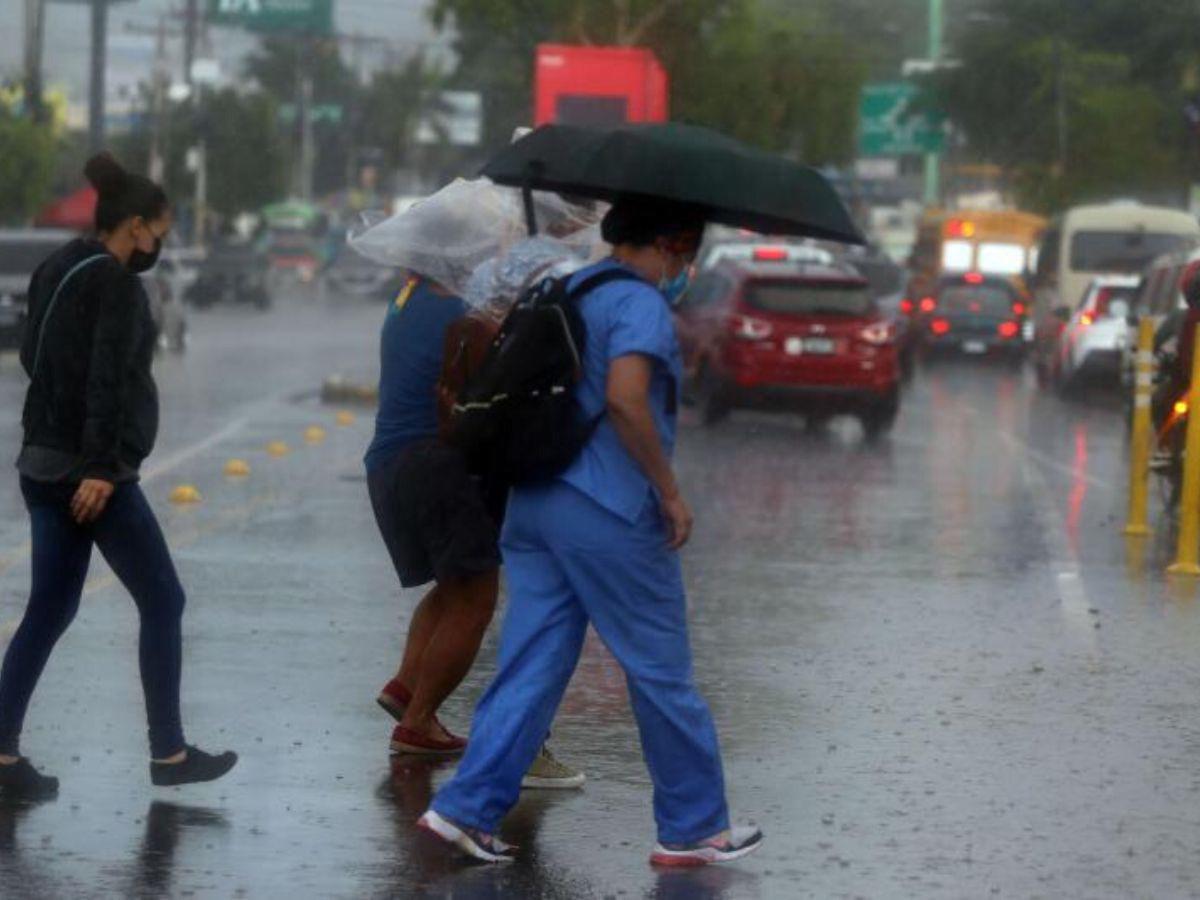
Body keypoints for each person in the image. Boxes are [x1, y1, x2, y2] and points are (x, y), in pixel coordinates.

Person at [419, 197, 764, 866]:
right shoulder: (638, 303)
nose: (684, 270)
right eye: (686, 256)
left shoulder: (566, 287)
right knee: (660, 668)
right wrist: (668, 491)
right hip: (607, 509)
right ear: (672, 245)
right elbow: (626, 399)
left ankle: (465, 808)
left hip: (535, 502)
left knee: (533, 661)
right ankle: (693, 827)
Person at [0, 152, 237, 799]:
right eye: (160, 231)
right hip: (91, 476)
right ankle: (170, 752)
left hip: (41, 462)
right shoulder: (119, 285)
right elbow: (108, 378)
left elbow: (32, 356)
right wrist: (103, 468)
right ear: (136, 226)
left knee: (49, 608)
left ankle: (2, 756)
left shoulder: (58, 265)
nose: (160, 244)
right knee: (163, 600)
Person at [365, 265, 584, 788]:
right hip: (436, 463)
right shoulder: (461, 315)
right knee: (474, 599)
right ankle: (418, 722)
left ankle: (407, 688)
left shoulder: (406, 298)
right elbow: (495, 388)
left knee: (453, 586)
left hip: (391, 461)